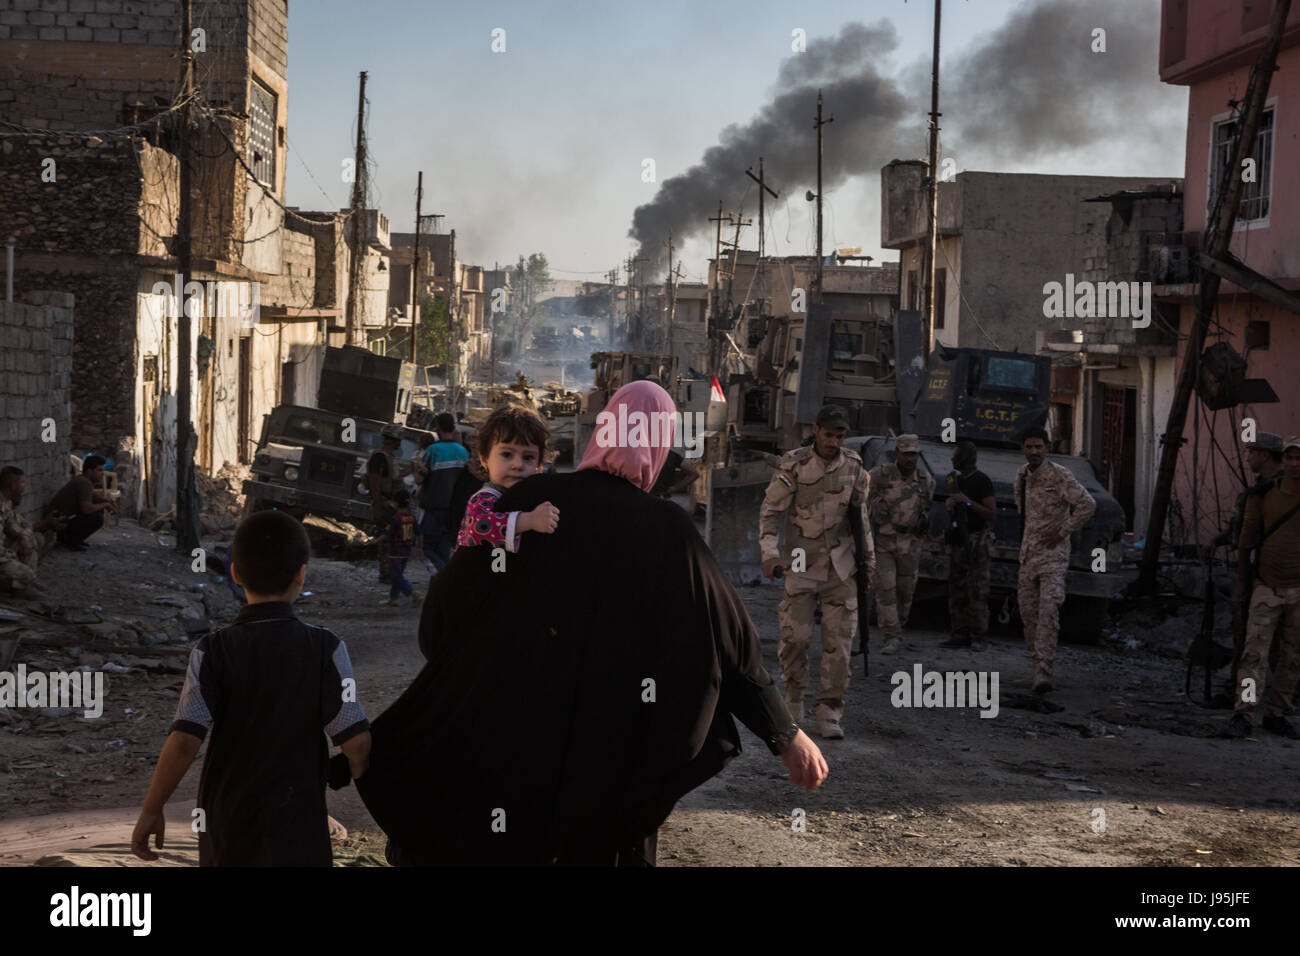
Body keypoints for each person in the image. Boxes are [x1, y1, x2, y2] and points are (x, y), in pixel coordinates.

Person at [344, 380, 827, 866]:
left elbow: (441, 625)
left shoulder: (528, 504)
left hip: (518, 746)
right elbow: (731, 645)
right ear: (660, 443)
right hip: (614, 756)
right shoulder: (667, 531)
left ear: (603, 429)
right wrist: (784, 735)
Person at [130, 510, 371, 865]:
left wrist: (152, 808)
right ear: (301, 575)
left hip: (227, 819)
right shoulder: (326, 648)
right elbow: (355, 739)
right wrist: (356, 765)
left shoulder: (211, 650)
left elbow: (184, 740)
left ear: (235, 573)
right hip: (297, 818)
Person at [759, 404, 873, 740]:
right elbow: (770, 513)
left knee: (838, 643)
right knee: (797, 637)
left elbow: (862, 520)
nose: (834, 442)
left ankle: (828, 712)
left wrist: (870, 564)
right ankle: (793, 701)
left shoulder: (854, 467)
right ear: (816, 430)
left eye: (840, 436)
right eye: (828, 435)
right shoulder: (793, 464)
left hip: (841, 565)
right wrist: (769, 554)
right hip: (799, 559)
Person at [1224, 436, 1300, 739]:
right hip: (1267, 587)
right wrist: (1244, 582)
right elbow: (1245, 540)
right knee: (1254, 654)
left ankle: (1277, 712)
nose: (1295, 464)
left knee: (1292, 657)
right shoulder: (1262, 495)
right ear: (1282, 461)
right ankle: (1245, 711)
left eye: (1299, 458)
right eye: (1290, 457)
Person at [1204, 432, 1283, 709]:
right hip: (1262, 575)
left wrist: (1241, 581)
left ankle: (1254, 698)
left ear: (1264, 455)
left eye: (1252, 452)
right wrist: (1219, 539)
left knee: (1255, 642)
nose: (1247, 457)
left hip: (1264, 576)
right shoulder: (1258, 491)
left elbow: (1248, 541)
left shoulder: (1277, 493)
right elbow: (1241, 529)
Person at [1015, 427, 1095, 694]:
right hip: (1028, 556)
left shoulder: (1060, 475)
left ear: (1047, 448)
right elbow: (1022, 512)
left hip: (1053, 557)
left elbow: (1087, 504)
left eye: (1039, 447)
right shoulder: (1022, 476)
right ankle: (1035, 664)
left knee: (1049, 610)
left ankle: (1044, 671)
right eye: (1029, 447)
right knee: (1028, 614)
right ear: (1023, 449)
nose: (1034, 452)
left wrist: (1062, 531)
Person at [866, 434, 935, 656]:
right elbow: (862, 503)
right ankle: (891, 636)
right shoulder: (879, 476)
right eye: (906, 454)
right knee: (886, 590)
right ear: (897, 453)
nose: (910, 459)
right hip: (884, 543)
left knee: (905, 594)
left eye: (913, 454)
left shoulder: (926, 481)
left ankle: (898, 628)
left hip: (911, 546)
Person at [456, 404, 560, 551]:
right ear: (484, 458)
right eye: (506, 454)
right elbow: (478, 526)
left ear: (539, 464)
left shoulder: (528, 497)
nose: (517, 465)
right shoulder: (485, 497)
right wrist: (529, 520)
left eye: (528, 457)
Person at [941, 441, 998, 648]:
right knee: (957, 589)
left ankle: (978, 635)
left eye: (956, 455)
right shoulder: (955, 480)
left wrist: (966, 501)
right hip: (958, 540)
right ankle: (959, 634)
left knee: (977, 590)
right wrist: (952, 505)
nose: (952, 459)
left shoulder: (982, 481)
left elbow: (991, 514)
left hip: (976, 541)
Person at [414, 412, 469, 573]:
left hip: (433, 508)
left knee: (424, 549)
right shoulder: (463, 452)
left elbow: (419, 480)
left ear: (438, 427)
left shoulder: (433, 450)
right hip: (454, 511)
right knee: (444, 552)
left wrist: (417, 464)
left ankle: (443, 575)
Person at [0, 467, 59, 600]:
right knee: (26, 574)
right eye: (22, 482)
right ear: (13, 485)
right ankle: (20, 583)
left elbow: (20, 525)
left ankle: (24, 586)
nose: (24, 486)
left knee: (30, 539)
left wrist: (24, 537)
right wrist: (10, 556)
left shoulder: (5, 503)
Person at [45, 454, 116, 550]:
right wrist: (106, 504)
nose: (102, 473)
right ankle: (69, 541)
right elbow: (87, 509)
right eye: (99, 470)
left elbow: (93, 497)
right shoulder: (84, 483)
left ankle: (74, 539)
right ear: (89, 471)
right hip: (57, 524)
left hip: (62, 520)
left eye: (103, 470)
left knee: (97, 510)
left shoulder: (84, 481)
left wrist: (106, 501)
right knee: (97, 518)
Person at [366, 426, 408, 583]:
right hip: (384, 504)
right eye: (399, 441)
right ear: (395, 441)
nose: (400, 444)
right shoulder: (379, 457)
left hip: (391, 504)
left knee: (392, 539)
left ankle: (390, 572)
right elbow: (374, 483)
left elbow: (393, 478)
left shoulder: (389, 457)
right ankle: (385, 574)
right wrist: (377, 506)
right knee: (385, 539)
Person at [371, 488, 421, 607]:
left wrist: (375, 541)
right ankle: (394, 599)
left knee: (396, 576)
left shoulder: (396, 519)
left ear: (396, 503)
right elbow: (419, 533)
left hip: (396, 552)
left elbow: (386, 534)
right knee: (398, 575)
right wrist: (419, 547)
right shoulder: (411, 517)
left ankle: (413, 593)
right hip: (406, 552)